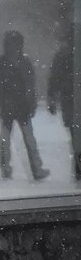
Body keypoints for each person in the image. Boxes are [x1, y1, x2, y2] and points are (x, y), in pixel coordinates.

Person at [0, 30, 49, 181]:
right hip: (15, 106)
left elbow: (29, 85)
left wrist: (1, 99)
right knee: (20, 139)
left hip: (17, 106)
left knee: (12, 139)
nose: (14, 47)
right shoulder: (17, 62)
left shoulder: (4, 62)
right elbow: (29, 85)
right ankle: (31, 169)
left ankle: (10, 168)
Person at [47, 30, 80, 180]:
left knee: (75, 136)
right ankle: (78, 169)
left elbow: (54, 79)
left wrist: (52, 97)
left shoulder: (62, 56)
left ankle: (78, 169)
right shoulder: (62, 57)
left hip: (70, 100)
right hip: (70, 100)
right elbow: (54, 79)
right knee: (75, 135)